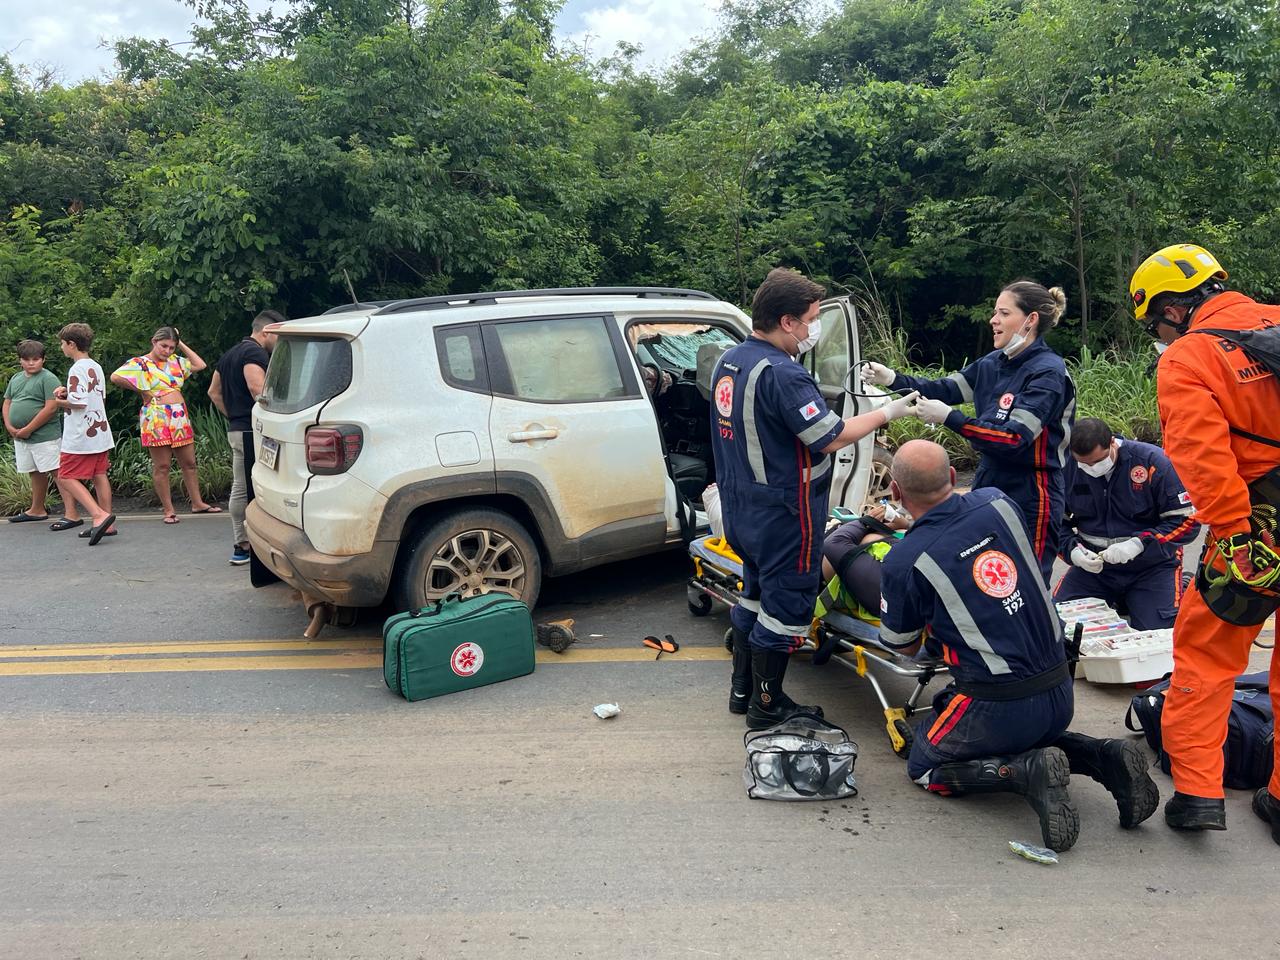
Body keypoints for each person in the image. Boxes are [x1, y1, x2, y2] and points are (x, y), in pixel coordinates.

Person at [877, 440, 1158, 852]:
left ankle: (1023, 773)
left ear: (896, 494)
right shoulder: (997, 504)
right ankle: (1104, 756)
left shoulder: (905, 560)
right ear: (955, 478)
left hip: (996, 706)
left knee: (925, 764)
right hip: (1060, 689)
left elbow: (901, 646)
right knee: (1013, 731)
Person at [710, 267, 919, 729]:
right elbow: (829, 437)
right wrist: (889, 410)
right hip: (786, 514)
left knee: (754, 597)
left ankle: (742, 690)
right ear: (786, 321)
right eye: (808, 320)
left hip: (743, 510)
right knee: (786, 609)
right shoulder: (784, 374)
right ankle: (767, 706)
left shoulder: (730, 360)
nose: (812, 330)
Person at [1129, 242, 1280, 835]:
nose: (1158, 336)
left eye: (1154, 324)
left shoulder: (1189, 359)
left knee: (1207, 657)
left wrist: (1236, 536)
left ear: (1170, 307)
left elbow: (1202, 459)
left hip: (1253, 527)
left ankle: (1198, 795)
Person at [864, 281, 1076, 583]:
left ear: (1030, 320)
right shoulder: (994, 364)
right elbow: (945, 388)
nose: (993, 320)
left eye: (1003, 313)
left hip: (1032, 489)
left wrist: (952, 418)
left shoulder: (1047, 372)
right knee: (984, 572)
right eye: (994, 312)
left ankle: (1038, 631)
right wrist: (892, 377)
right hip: (989, 478)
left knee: (1028, 580)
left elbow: (1014, 438)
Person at [1054, 417, 1198, 629]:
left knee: (1160, 632)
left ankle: (1182, 587)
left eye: (1098, 461)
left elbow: (1187, 521)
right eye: (1084, 464)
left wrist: (1139, 544)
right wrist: (1073, 551)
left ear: (1113, 442)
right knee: (1056, 626)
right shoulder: (1067, 468)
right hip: (1095, 568)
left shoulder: (1153, 463)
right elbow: (1054, 525)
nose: (1092, 468)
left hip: (1151, 566)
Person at [111, 326, 222, 523]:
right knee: (162, 465)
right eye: (164, 346)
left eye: (171, 347)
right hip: (156, 416)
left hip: (179, 415)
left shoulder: (176, 362)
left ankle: (197, 502)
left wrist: (181, 342)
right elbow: (115, 377)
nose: (167, 351)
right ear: (154, 342)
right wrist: (141, 390)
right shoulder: (140, 363)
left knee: (189, 463)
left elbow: (200, 364)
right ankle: (168, 509)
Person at [208, 310, 282, 565]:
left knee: (244, 485)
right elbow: (256, 388)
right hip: (252, 431)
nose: (279, 343)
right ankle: (244, 545)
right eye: (278, 336)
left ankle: (247, 544)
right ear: (267, 332)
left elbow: (213, 392)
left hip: (237, 429)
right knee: (248, 487)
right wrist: (271, 419)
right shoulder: (254, 353)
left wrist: (234, 417)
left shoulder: (229, 354)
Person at [51, 323, 116, 545]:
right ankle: (107, 522)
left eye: (62, 344)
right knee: (99, 475)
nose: (61, 348)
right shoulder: (95, 366)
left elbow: (78, 403)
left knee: (66, 475)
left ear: (72, 344)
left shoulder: (76, 368)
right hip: (100, 432)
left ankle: (99, 515)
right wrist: (68, 392)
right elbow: (95, 397)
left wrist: (58, 401)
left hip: (81, 434)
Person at [4, 339, 69, 524]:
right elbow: (7, 402)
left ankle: (71, 512)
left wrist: (28, 429)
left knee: (57, 472)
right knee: (35, 471)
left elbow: (51, 408)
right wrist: (9, 425)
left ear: (43, 360)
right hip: (21, 437)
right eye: (27, 359)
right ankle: (37, 509)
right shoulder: (16, 378)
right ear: (20, 360)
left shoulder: (48, 379)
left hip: (44, 436)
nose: (31, 363)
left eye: (35, 359)